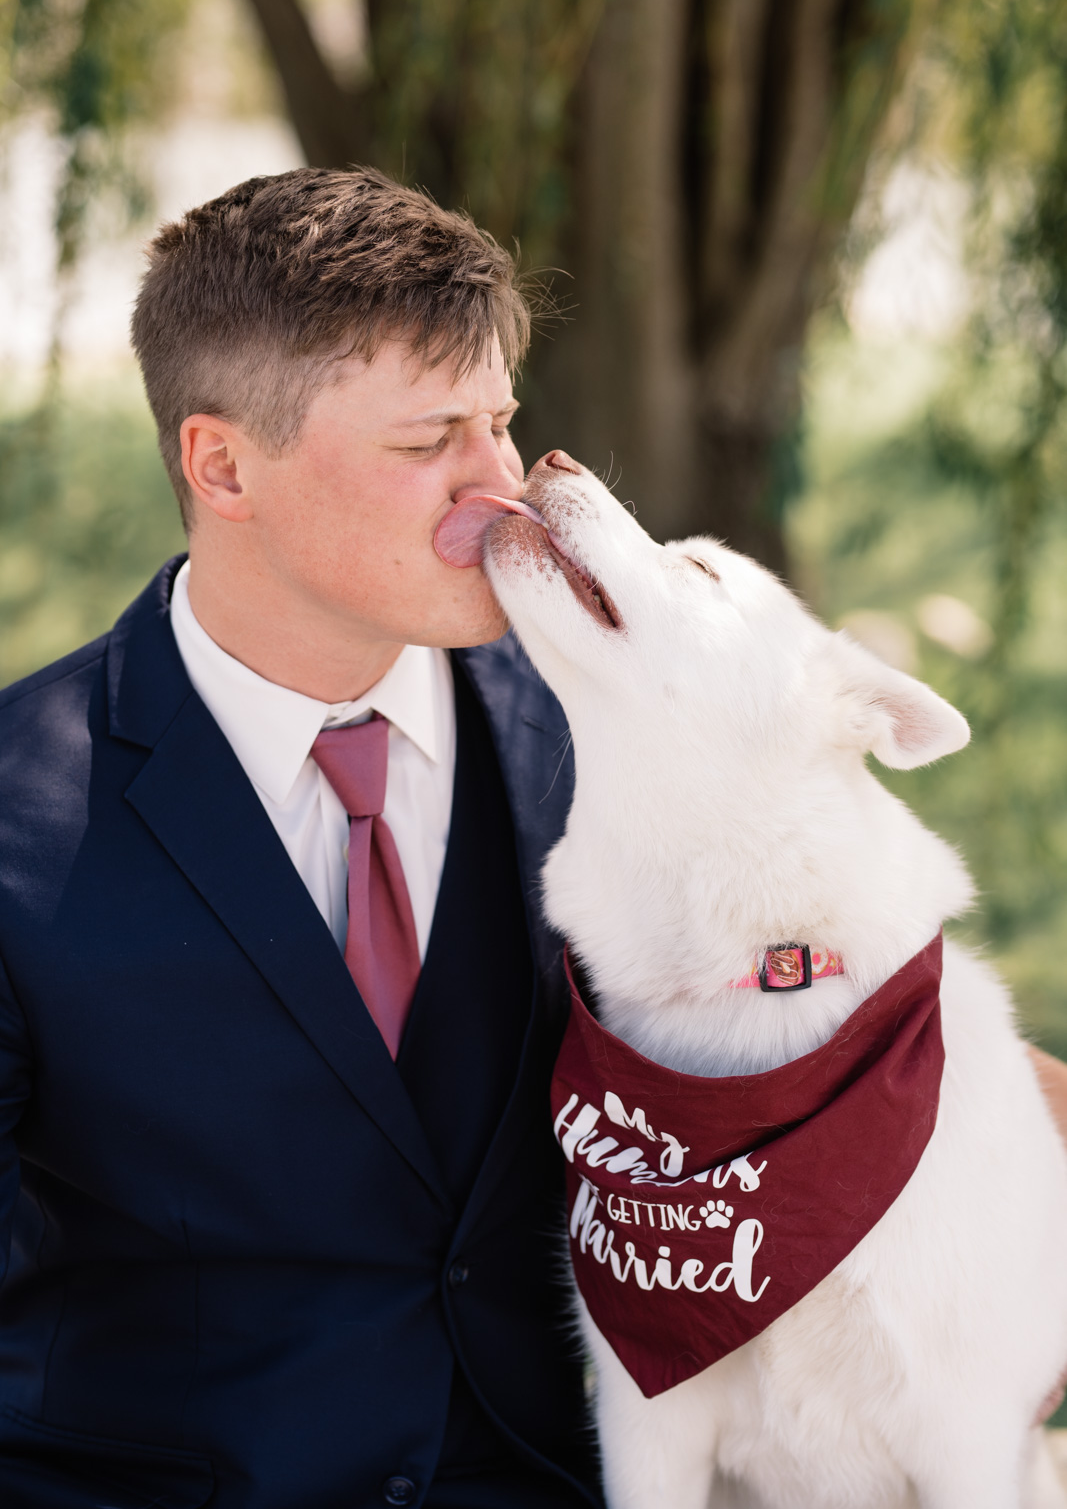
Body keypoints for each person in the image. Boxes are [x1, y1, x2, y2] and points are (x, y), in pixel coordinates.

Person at [1, 166, 1066, 1509]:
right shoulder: (14, 818)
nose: (501, 484)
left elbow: (859, 1036)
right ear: (223, 464)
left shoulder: (617, 737)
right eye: (428, 438)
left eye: (500, 421)